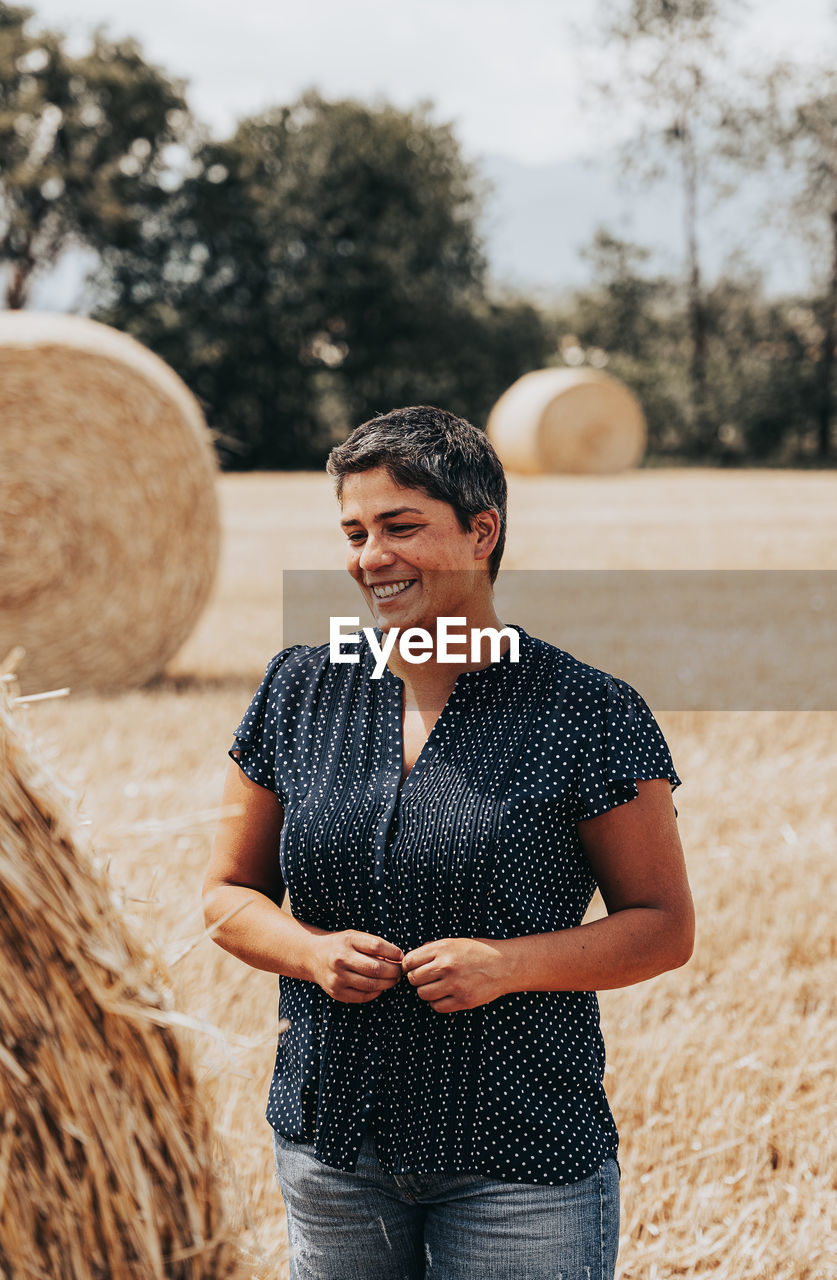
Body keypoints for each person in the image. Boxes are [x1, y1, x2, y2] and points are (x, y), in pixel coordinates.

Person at [203, 405, 695, 1280]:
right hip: (330, 1147)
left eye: (401, 526)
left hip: (520, 1152)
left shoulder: (587, 710)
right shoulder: (299, 686)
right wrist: (310, 955)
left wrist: (506, 964)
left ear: (481, 532)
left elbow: (661, 925)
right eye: (354, 532)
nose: (370, 558)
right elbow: (228, 896)